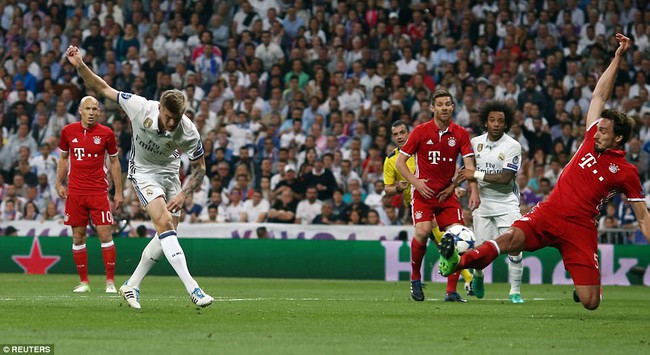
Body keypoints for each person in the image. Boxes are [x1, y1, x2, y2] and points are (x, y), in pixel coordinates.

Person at [439, 34, 650, 310]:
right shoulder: (590, 136)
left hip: (580, 229)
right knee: (511, 240)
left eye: (604, 131)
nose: (597, 132)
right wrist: (618, 57)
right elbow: (600, 94)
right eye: (598, 128)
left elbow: (643, 217)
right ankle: (459, 260)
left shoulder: (626, 172)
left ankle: (591, 289)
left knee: (590, 302)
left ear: (619, 139)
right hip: (549, 212)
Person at [66, 45, 214, 309]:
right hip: (143, 172)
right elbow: (101, 88)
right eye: (168, 118)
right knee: (165, 224)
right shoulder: (140, 107)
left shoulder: (188, 130)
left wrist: (183, 193)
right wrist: (79, 65)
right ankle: (194, 289)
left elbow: (200, 167)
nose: (171, 124)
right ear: (160, 109)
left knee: (166, 233)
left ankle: (131, 285)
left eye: (176, 119)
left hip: (170, 175)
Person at [395, 90, 480, 302]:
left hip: (447, 195)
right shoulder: (421, 132)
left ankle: (451, 291)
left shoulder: (460, 133)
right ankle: (415, 279)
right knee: (423, 232)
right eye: (440, 104)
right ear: (433, 108)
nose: (444, 108)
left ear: (453, 107)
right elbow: (400, 162)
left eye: (448, 104)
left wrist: (473, 189)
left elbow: (469, 165)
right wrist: (416, 183)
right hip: (424, 194)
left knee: (458, 237)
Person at [456, 101, 525, 304]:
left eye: (500, 121)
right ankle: (478, 276)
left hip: (506, 202)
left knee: (515, 246)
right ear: (485, 123)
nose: (496, 124)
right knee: (480, 251)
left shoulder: (513, 146)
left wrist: (475, 174)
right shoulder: (475, 142)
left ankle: (515, 291)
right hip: (483, 203)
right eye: (492, 120)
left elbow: (505, 178)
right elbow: (466, 171)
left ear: (506, 124)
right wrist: (464, 188)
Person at [56, 95, 123, 294]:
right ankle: (84, 282)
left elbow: (114, 162)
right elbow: (63, 158)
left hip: (98, 191)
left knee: (105, 234)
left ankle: (110, 282)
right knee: (78, 237)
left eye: (95, 109)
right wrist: (58, 183)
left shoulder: (107, 133)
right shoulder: (68, 131)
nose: (92, 113)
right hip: (75, 192)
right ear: (80, 110)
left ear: (99, 112)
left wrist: (118, 191)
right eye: (88, 109)